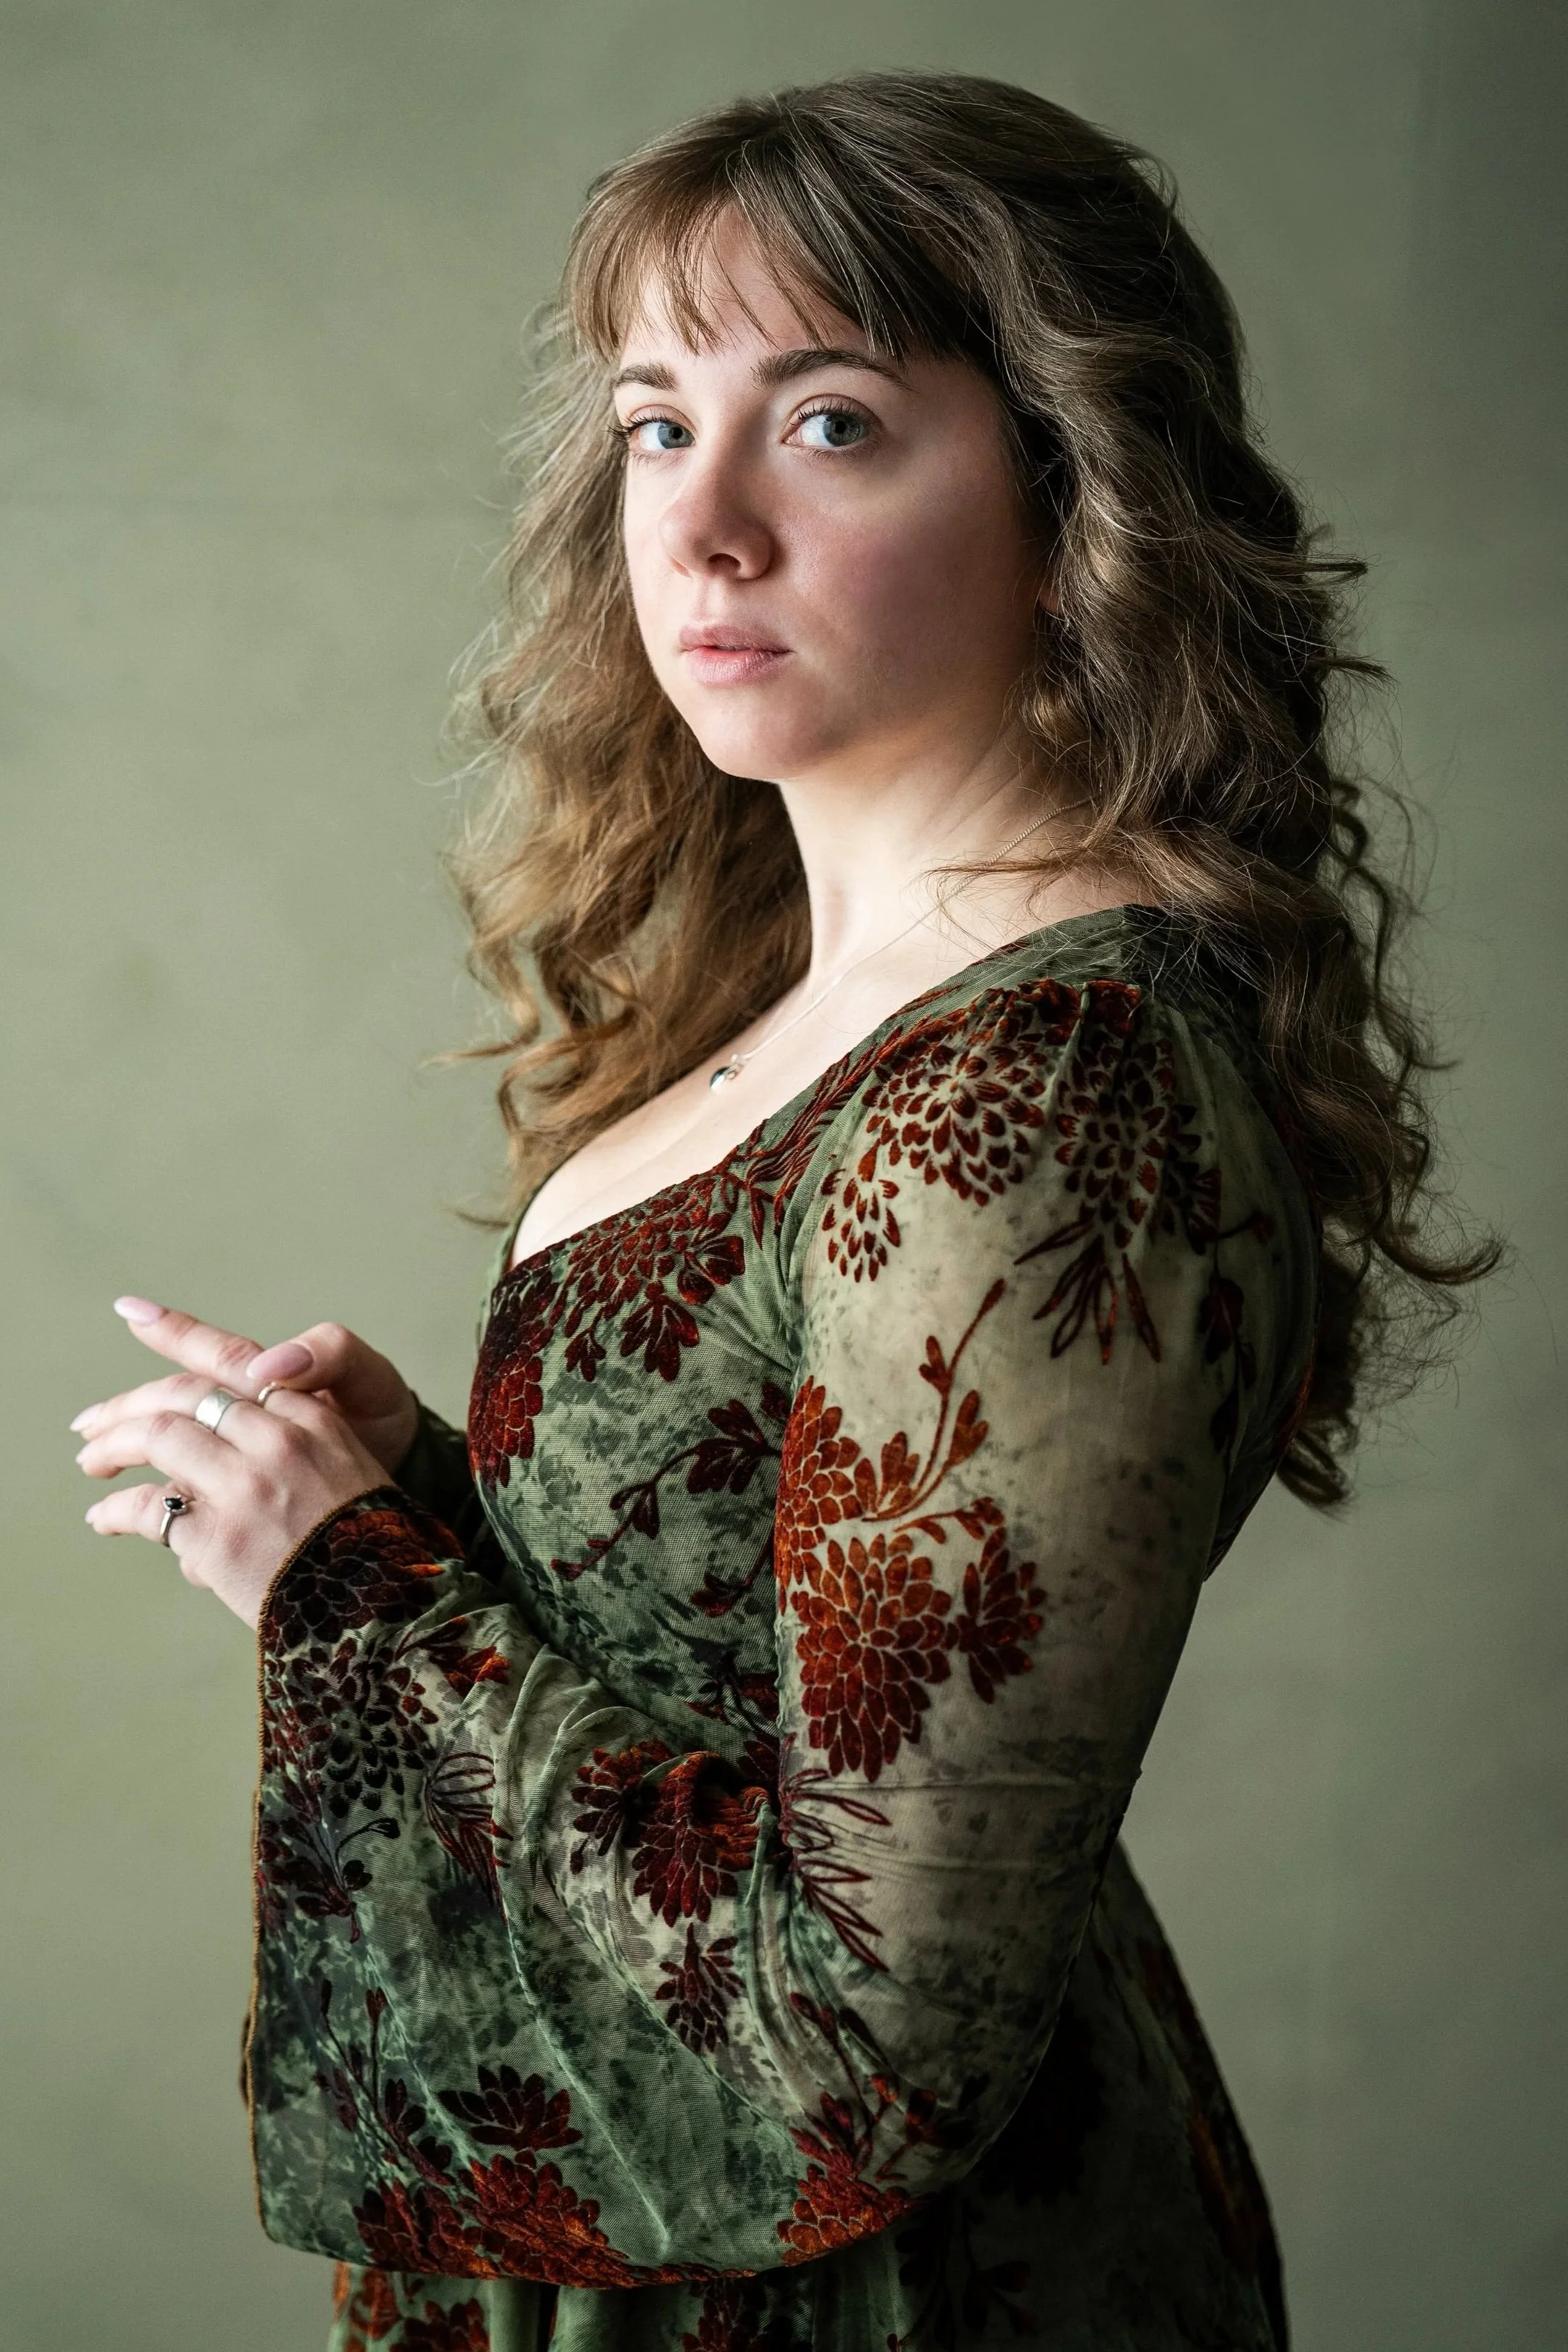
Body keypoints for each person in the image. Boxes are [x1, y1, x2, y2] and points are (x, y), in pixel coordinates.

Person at [71, 72, 1493, 2352]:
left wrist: (345, 1590)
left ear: (1073, 492)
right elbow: (745, 1640)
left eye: (829, 424)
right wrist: (424, 1506)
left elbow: (871, 2020)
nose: (701, 524)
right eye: (659, 423)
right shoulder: (839, 997)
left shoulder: (1039, 1080)